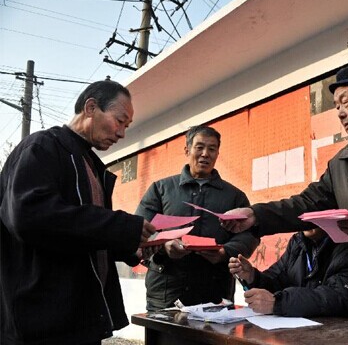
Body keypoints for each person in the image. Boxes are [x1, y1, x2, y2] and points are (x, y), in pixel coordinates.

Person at [223, 62, 348, 323]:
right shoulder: (340, 163)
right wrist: (256, 215)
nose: (340, 112)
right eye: (336, 105)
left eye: (345, 101)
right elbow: (307, 203)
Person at [0, 80, 157, 345]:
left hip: (79, 318)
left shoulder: (89, 163)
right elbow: (29, 216)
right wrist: (120, 226)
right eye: (120, 121)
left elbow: (84, 235)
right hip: (40, 323)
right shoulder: (41, 148)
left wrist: (132, 247)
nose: (122, 134)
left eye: (127, 126)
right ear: (91, 107)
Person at [136, 125, 259, 311]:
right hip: (166, 289)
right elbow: (140, 229)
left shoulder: (234, 196)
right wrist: (163, 245)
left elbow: (249, 235)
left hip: (214, 289)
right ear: (187, 150)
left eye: (212, 149)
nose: (205, 154)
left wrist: (224, 253)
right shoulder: (161, 189)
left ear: (218, 153)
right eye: (199, 147)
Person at [229, 227, 348, 317]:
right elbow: (276, 279)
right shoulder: (298, 243)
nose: (306, 220)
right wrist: (252, 276)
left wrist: (278, 303)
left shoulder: (346, 245)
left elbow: (337, 297)